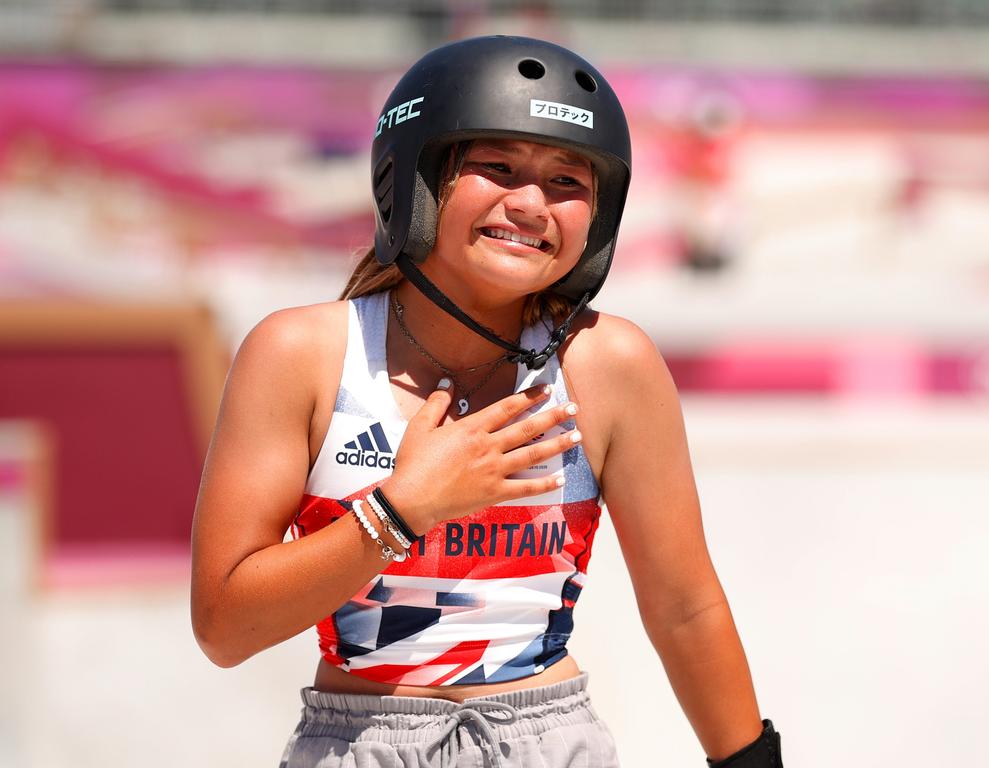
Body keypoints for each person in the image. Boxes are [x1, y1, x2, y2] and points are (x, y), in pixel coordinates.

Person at [190, 36, 783, 768]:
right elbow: (223, 626)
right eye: (496, 168)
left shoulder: (608, 365)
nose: (532, 204)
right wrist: (401, 512)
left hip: (549, 742)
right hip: (359, 742)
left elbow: (684, 607)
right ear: (417, 180)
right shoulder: (302, 355)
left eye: (568, 181)